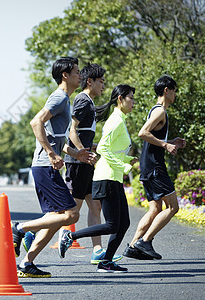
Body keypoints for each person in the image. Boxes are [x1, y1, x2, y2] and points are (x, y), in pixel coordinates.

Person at [11, 57, 97, 278]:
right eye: (77, 72)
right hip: (44, 166)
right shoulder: (59, 98)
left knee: (56, 218)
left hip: (46, 166)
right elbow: (35, 122)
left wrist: (76, 153)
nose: (81, 76)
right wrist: (51, 154)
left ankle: (26, 263)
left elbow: (57, 138)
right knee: (71, 215)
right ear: (65, 76)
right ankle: (20, 228)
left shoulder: (65, 100)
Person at [59, 84, 138, 273]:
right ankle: (71, 237)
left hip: (114, 177)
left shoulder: (120, 119)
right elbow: (103, 149)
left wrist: (127, 159)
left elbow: (113, 151)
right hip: (106, 177)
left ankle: (106, 262)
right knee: (112, 224)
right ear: (120, 99)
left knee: (123, 223)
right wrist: (124, 166)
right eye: (131, 98)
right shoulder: (116, 121)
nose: (133, 102)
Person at [64, 63, 122, 264]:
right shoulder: (82, 100)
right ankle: (31, 233)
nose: (103, 86)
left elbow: (83, 134)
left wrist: (95, 147)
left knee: (95, 206)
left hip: (86, 162)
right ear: (90, 82)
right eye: (101, 82)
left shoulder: (88, 102)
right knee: (70, 214)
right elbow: (70, 130)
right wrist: (82, 152)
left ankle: (98, 251)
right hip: (78, 163)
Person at [123, 75, 185, 260]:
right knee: (173, 207)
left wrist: (170, 141)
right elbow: (143, 133)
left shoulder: (155, 110)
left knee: (155, 208)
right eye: (174, 90)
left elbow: (151, 137)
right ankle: (146, 240)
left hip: (148, 165)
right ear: (167, 90)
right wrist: (165, 145)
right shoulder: (160, 112)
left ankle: (134, 246)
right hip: (155, 166)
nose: (175, 94)